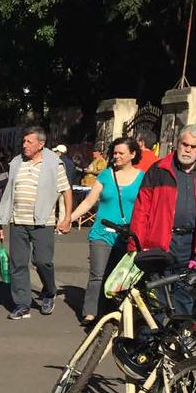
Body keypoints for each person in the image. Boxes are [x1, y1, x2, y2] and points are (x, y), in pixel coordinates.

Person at [129, 124, 196, 315]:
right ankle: (151, 340)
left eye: (193, 147)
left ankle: (179, 337)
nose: (187, 150)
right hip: (159, 241)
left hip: (190, 243)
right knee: (157, 294)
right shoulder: (158, 170)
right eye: (184, 144)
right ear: (177, 143)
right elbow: (141, 209)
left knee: (184, 291)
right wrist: (136, 243)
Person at [0, 126, 73, 320]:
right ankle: (22, 304)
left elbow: (66, 190)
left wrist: (67, 217)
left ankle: (49, 292)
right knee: (18, 264)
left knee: (42, 261)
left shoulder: (55, 164)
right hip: (18, 220)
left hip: (43, 221)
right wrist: (1, 222)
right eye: (24, 141)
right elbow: (8, 193)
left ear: (41, 144)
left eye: (29, 142)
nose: (24, 145)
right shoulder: (16, 163)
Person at [67, 137, 145, 324]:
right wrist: (69, 218)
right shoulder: (105, 175)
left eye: (121, 153)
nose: (116, 156)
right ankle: (91, 312)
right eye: (115, 153)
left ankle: (113, 312)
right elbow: (89, 201)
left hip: (127, 235)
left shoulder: (143, 177)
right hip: (102, 232)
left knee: (119, 276)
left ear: (132, 155)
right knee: (98, 274)